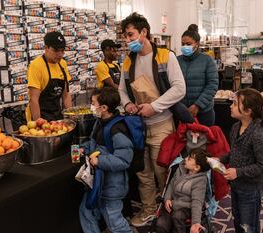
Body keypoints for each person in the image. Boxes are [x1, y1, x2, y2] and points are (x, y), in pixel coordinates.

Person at [118, 12, 187, 227]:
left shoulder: (166, 56)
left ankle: (170, 210)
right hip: (138, 127)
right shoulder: (127, 62)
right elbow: (122, 90)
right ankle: (148, 209)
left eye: (130, 35)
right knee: (143, 172)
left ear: (144, 32)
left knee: (163, 171)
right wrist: (128, 104)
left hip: (162, 124)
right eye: (125, 37)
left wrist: (154, 106)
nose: (127, 40)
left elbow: (179, 89)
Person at [219, 88, 263, 233]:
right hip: (236, 185)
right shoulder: (235, 127)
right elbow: (234, 152)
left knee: (248, 225)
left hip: (251, 189)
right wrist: (220, 159)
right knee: (238, 220)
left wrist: (238, 172)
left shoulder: (258, 134)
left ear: (247, 111)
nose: (230, 106)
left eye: (234, 103)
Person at [79, 87, 134, 233]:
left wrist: (100, 161)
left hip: (112, 186)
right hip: (97, 183)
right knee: (86, 212)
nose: (91, 106)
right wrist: (83, 149)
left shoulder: (117, 129)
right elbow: (94, 143)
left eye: (93, 103)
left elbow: (124, 160)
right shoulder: (100, 122)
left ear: (103, 108)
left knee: (114, 221)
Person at [156, 148, 211, 233]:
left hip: (186, 207)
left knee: (177, 216)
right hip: (172, 204)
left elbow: (197, 202)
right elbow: (170, 185)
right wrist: (167, 199)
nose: (185, 159)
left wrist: (195, 223)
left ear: (196, 167)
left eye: (189, 159)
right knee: (161, 225)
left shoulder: (200, 180)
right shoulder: (180, 168)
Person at [25, 31, 72, 122]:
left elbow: (66, 94)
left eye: (62, 50)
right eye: (55, 50)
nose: (60, 55)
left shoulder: (63, 64)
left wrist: (71, 116)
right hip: (39, 116)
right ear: (46, 48)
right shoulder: (36, 66)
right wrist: (38, 124)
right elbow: (34, 100)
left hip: (56, 115)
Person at [177, 24, 218, 126]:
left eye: (188, 44)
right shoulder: (177, 60)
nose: (185, 46)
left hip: (204, 112)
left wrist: (197, 105)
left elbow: (212, 85)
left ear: (197, 44)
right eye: (183, 44)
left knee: (205, 140)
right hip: (182, 112)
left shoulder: (207, 60)